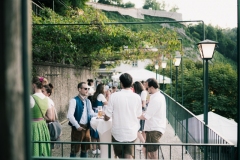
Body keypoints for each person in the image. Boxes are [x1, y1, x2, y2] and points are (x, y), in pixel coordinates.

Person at [104, 73, 142, 159]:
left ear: (121, 83)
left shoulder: (114, 96)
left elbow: (107, 116)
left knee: (120, 156)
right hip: (131, 131)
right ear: (131, 83)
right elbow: (139, 115)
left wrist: (105, 117)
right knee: (128, 155)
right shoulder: (137, 97)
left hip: (118, 132)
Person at [138, 78, 166, 159]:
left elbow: (146, 116)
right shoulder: (157, 96)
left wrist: (135, 115)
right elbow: (149, 112)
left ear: (152, 87)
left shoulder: (156, 99)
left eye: (146, 88)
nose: (145, 90)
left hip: (154, 128)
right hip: (153, 127)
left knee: (152, 154)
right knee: (145, 150)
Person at [67, 82, 96, 158]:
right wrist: (77, 126)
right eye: (85, 89)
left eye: (88, 89)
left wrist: (99, 115)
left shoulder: (88, 101)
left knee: (85, 149)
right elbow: (70, 115)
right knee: (74, 150)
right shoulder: (74, 100)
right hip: (77, 128)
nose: (87, 90)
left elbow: (91, 113)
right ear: (79, 89)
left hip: (86, 127)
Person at [30, 76, 51, 156]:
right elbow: (50, 117)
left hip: (33, 126)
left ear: (34, 85)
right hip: (43, 126)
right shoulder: (47, 99)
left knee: (34, 146)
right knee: (43, 147)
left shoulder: (31, 98)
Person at [42, 83, 61, 149]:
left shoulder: (47, 101)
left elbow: (51, 118)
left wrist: (41, 116)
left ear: (48, 94)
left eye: (43, 91)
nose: (41, 93)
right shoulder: (50, 100)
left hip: (48, 127)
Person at [91, 83, 108, 155]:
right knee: (99, 131)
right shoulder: (101, 95)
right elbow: (106, 103)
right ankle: (99, 148)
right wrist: (107, 96)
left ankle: (94, 149)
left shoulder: (95, 95)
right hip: (99, 112)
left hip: (93, 112)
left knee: (94, 130)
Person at [133, 81, 148, 145]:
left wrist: (135, 107)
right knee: (141, 130)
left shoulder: (143, 92)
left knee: (140, 130)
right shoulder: (140, 93)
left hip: (142, 112)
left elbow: (143, 104)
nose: (133, 88)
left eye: (133, 87)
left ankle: (145, 145)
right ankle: (144, 145)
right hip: (140, 111)